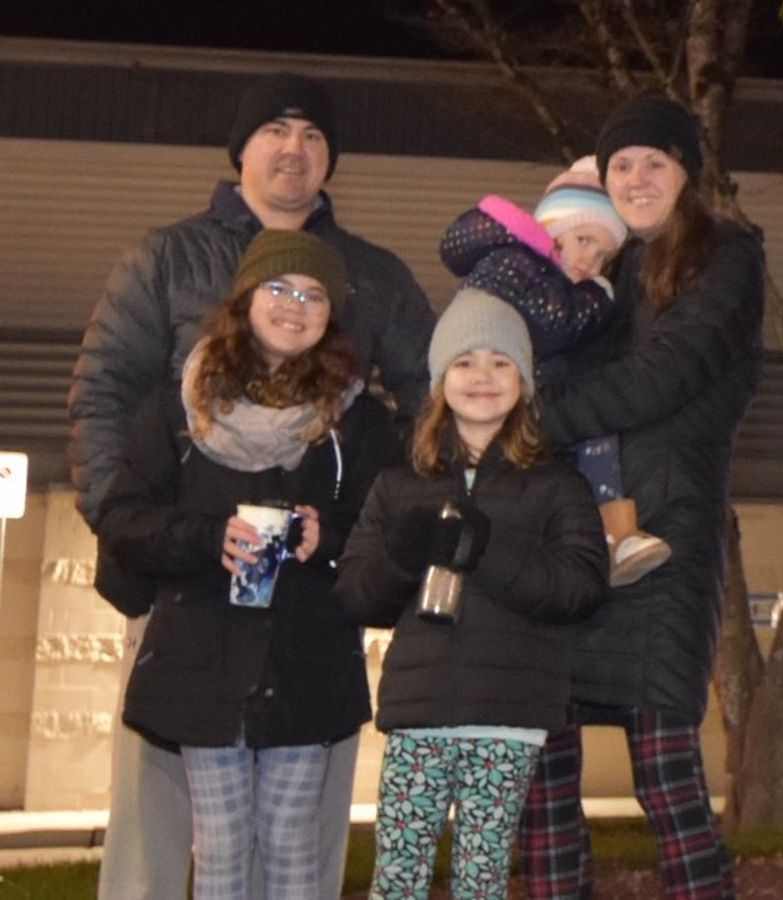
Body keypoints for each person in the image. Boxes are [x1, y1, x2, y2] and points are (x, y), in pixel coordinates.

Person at [67, 72, 435, 900]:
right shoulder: (166, 258)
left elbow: (429, 413)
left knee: (299, 834)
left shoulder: (374, 275)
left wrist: (365, 550)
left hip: (310, 615)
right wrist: (140, 549)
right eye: (275, 129)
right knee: (159, 823)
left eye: (313, 134)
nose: (293, 148)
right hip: (182, 599)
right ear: (241, 148)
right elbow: (103, 396)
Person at [94, 229, 398, 900]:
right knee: (222, 844)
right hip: (202, 661)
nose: (294, 306)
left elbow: (388, 528)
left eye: (313, 295)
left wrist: (329, 537)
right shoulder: (177, 409)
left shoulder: (360, 421)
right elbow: (123, 518)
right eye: (279, 288)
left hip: (305, 661)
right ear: (245, 299)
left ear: (332, 315)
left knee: (291, 840)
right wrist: (211, 538)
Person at [518, 94, 766, 899]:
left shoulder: (724, 256)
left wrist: (531, 423)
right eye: (620, 165)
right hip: (571, 533)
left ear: (686, 171)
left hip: (665, 532)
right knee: (545, 774)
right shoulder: (600, 267)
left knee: (664, 772)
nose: (636, 178)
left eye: (654, 161)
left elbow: (663, 376)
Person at [334, 289, 609, 899]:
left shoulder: (557, 485)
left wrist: (486, 550)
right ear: (440, 382)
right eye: (464, 362)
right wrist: (401, 556)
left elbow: (581, 586)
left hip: (508, 716)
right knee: (398, 877)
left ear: (524, 383)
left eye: (500, 362)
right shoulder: (399, 485)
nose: (482, 376)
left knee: (480, 880)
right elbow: (356, 596)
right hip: (421, 713)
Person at [438, 155, 670, 586]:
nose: (590, 261)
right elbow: (553, 326)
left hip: (534, 402)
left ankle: (613, 534)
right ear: (550, 229)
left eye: (602, 256)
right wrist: (600, 296)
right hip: (507, 405)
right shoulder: (513, 262)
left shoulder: (539, 273)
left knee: (595, 436)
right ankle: (611, 534)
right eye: (583, 240)